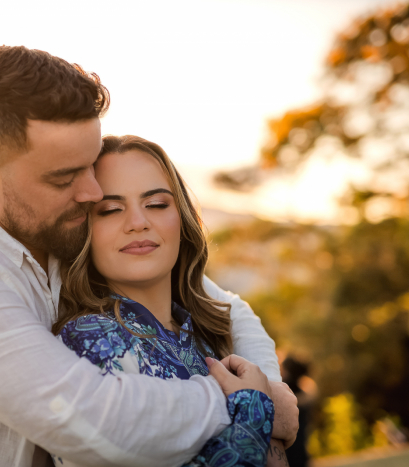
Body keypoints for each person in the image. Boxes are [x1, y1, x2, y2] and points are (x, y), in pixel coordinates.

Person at [0, 44, 298, 466]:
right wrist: (251, 403)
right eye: (65, 177)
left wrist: (263, 379)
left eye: (90, 165)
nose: (91, 192)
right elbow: (95, 421)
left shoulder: (60, 227)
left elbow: (221, 304)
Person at [51, 135, 279, 467]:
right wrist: (255, 409)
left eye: (156, 204)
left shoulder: (205, 334)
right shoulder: (87, 342)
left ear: (182, 219)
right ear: (84, 231)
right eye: (110, 210)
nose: (138, 223)